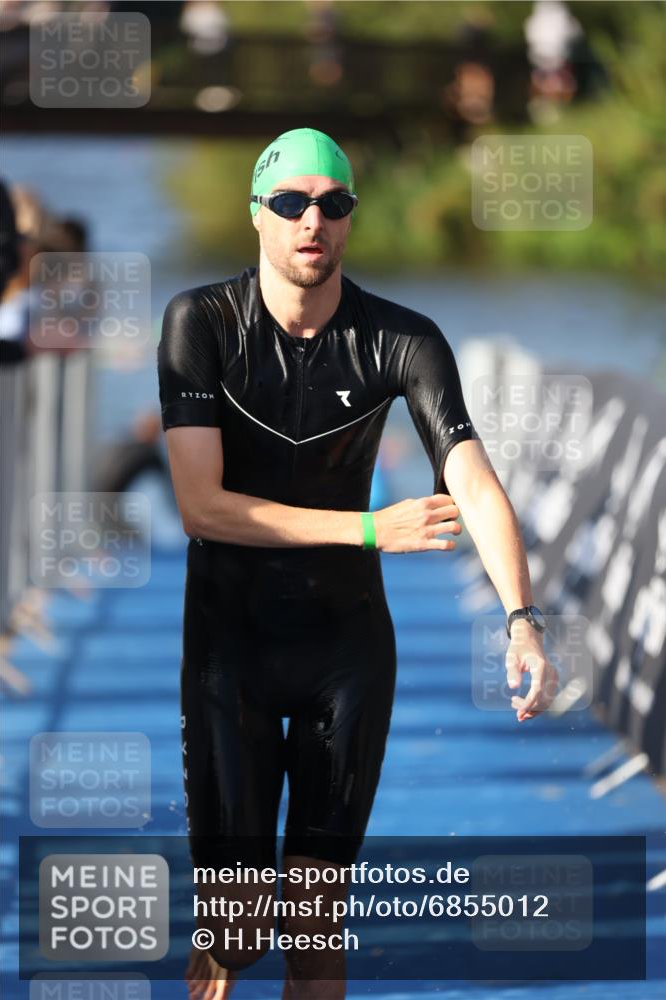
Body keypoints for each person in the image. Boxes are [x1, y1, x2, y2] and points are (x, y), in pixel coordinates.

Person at [157, 127, 557, 1000]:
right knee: (242, 930)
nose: (313, 221)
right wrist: (370, 530)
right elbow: (201, 506)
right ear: (256, 215)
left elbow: (476, 487)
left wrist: (522, 622)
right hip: (230, 653)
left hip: (345, 655)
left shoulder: (400, 339)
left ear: (349, 220)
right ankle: (225, 933)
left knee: (314, 918)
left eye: (333, 204)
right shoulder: (202, 323)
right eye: (291, 203)